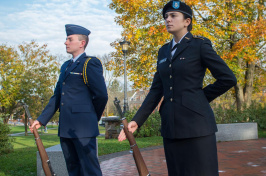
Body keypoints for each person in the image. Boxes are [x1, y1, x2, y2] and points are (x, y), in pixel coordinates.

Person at [118, 1, 237, 176]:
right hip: (171, 127)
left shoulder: (199, 45)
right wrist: (138, 119)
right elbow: (156, 90)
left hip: (197, 126)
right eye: (166, 16)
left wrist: (200, 97)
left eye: (173, 16)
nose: (168, 19)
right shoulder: (163, 51)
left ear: (187, 21)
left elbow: (228, 78)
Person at [30, 24, 108, 176]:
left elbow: (102, 96)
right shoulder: (65, 66)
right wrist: (41, 120)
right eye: (66, 39)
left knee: (90, 170)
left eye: (69, 39)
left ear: (82, 43)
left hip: (83, 128)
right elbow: (57, 95)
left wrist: (91, 117)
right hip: (66, 128)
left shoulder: (89, 63)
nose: (65, 42)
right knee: (73, 170)